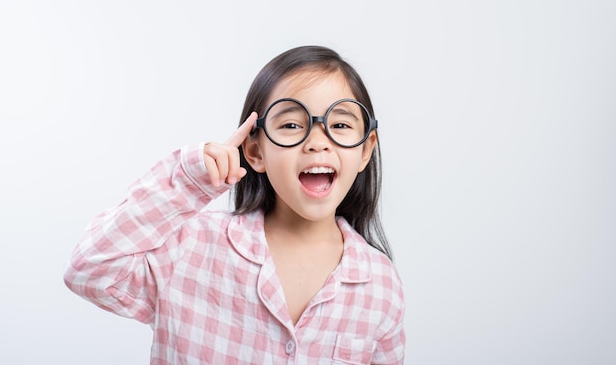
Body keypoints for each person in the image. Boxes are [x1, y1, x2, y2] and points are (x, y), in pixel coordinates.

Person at [64, 45, 405, 364]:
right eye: (291, 124)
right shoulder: (190, 248)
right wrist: (189, 177)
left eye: (340, 124)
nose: (317, 143)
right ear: (256, 151)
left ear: (365, 149)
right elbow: (89, 270)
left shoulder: (381, 284)